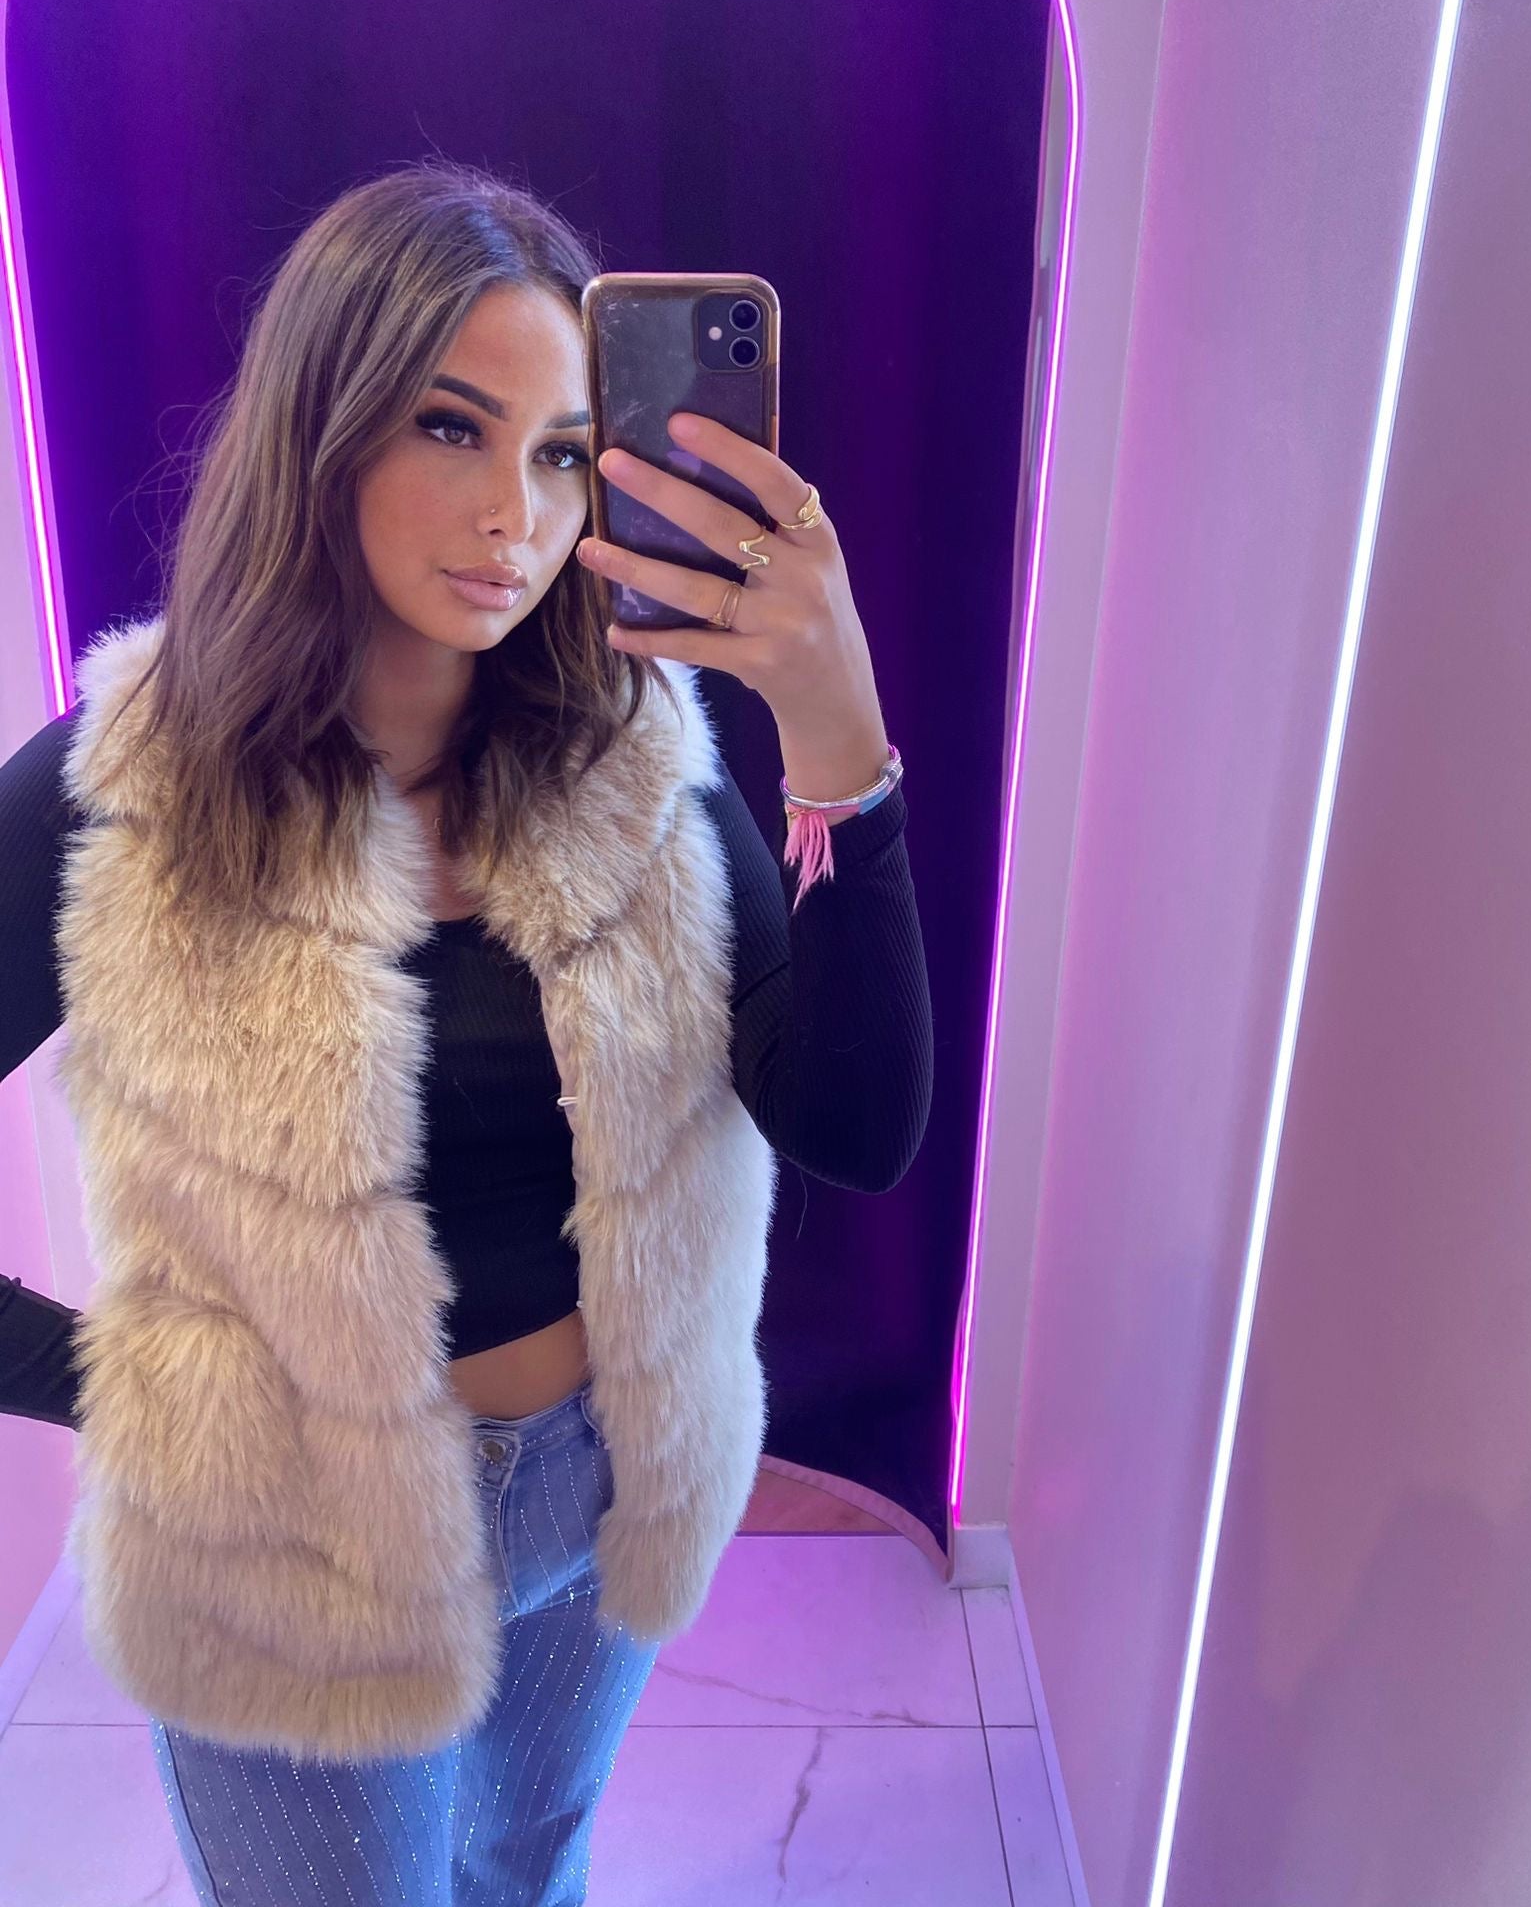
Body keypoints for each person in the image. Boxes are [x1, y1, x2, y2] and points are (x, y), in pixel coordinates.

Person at [0, 157, 932, 1904]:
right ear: (325, 424)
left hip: (605, 1485)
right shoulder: (122, 791)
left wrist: (836, 731)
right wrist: (145, 1399)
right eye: (451, 427)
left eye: (566, 452)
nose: (517, 513)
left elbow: (855, 1128)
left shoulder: (633, 757)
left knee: (526, 1875)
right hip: (292, 1548)